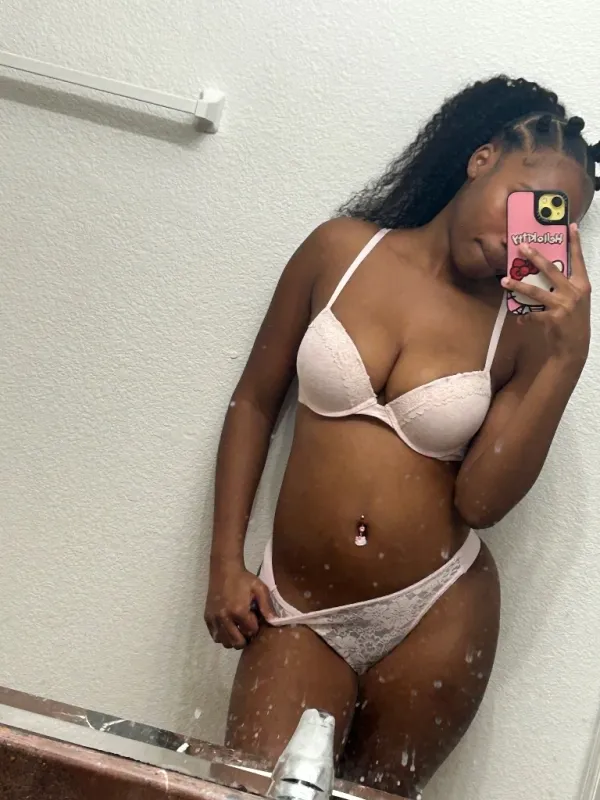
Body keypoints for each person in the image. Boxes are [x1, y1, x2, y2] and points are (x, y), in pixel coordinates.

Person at [204, 75, 597, 798]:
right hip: (300, 608)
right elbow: (254, 403)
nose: (518, 238)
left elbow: (481, 502)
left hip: (437, 614)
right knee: (254, 792)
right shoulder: (337, 251)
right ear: (481, 158)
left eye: (549, 224)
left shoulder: (523, 335)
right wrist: (225, 563)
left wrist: (567, 360)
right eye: (525, 202)